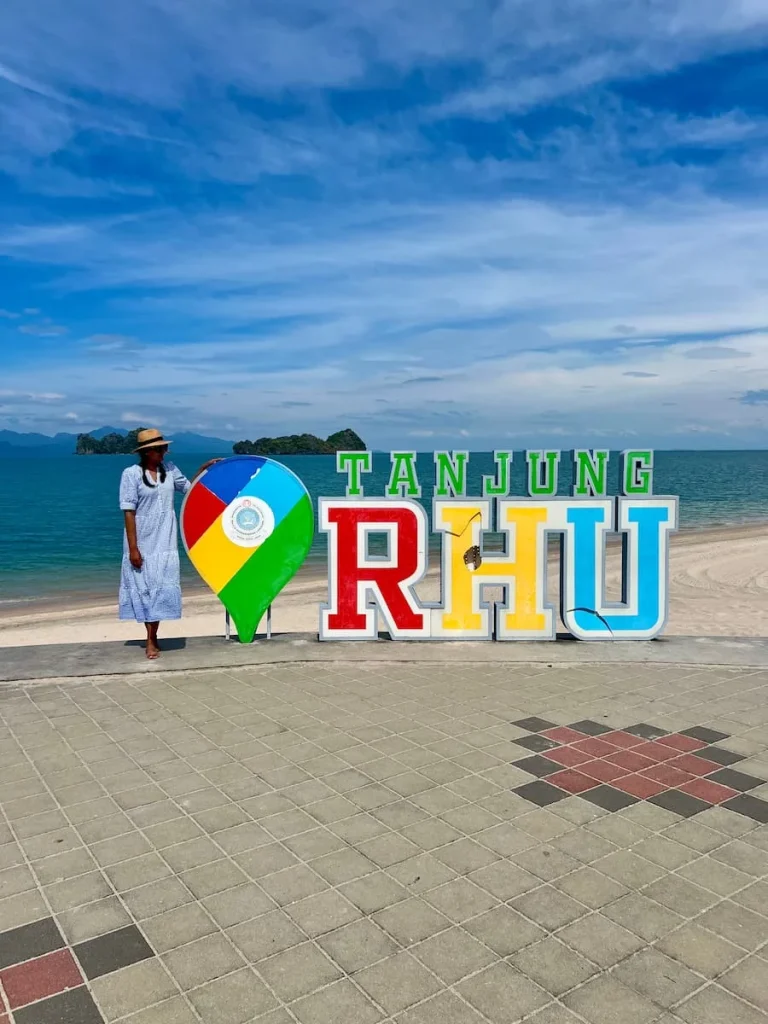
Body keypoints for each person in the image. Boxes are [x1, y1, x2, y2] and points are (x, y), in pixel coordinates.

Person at [119, 428, 219, 659]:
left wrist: (204, 469)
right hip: (141, 539)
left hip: (165, 539)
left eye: (164, 448)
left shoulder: (171, 470)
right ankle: (150, 638)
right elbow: (128, 512)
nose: (164, 452)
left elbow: (190, 490)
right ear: (147, 452)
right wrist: (133, 548)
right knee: (145, 589)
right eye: (160, 449)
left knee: (160, 588)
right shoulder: (131, 474)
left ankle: (152, 637)